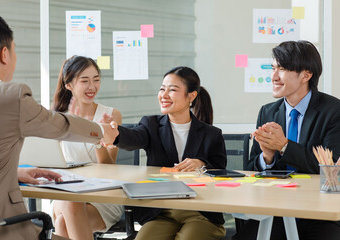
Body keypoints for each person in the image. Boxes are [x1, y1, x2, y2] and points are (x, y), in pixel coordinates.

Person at [0, 15, 118, 240]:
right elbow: (58, 125)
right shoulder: (10, 96)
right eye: (14, 50)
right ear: (5, 54)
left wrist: (15, 173)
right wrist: (101, 131)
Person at [234, 40, 340, 240]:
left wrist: (283, 145)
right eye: (273, 68)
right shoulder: (268, 111)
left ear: (306, 75)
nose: (274, 76)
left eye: (282, 69)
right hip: (274, 211)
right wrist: (267, 155)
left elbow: (330, 170)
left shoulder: (333, 111)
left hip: (318, 214)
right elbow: (250, 169)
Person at [113, 66, 227, 240]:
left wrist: (201, 164)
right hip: (162, 211)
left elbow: (221, 171)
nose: (164, 95)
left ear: (191, 96)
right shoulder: (150, 124)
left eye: (172, 90)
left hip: (200, 212)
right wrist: (114, 133)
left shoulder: (212, 134)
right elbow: (134, 137)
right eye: (162, 89)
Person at [51, 56, 124, 240]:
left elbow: (109, 168)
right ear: (69, 85)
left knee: (61, 223)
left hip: (102, 194)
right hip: (66, 190)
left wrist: (96, 136)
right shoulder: (58, 118)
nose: (92, 86)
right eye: (84, 81)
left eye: (96, 80)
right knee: (71, 202)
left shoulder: (111, 114)